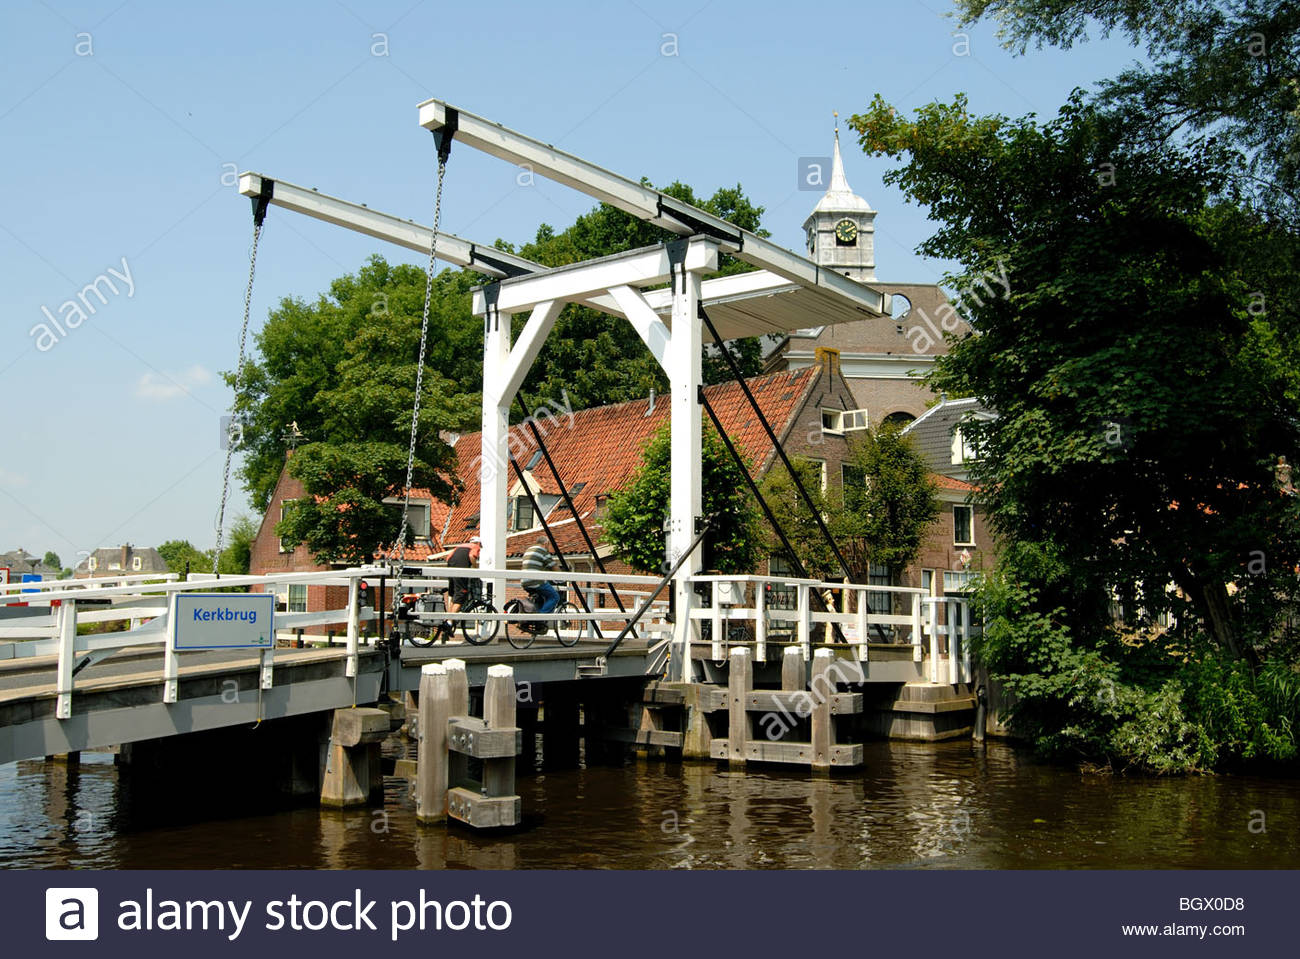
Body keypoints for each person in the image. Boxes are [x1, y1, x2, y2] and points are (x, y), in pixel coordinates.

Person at [442, 537, 482, 638]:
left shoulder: (459, 546)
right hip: (461, 570)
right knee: (461, 595)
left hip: (450, 568)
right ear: (478, 543)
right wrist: (475, 569)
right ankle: (450, 622)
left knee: (453, 595)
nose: (480, 549)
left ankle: (448, 618)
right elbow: (472, 556)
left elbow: (448, 558)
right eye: (480, 546)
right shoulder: (475, 547)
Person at [520, 536, 559, 613]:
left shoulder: (529, 550)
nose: (549, 548)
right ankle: (541, 617)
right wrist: (562, 577)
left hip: (524, 582)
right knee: (554, 597)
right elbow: (554, 566)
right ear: (546, 543)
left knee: (540, 599)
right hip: (535, 582)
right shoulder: (542, 551)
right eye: (549, 545)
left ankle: (536, 620)